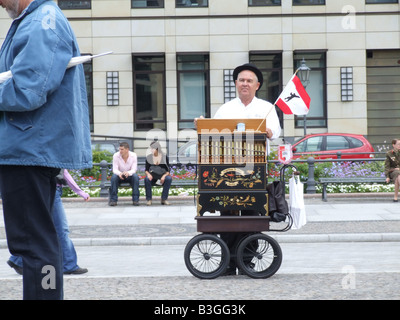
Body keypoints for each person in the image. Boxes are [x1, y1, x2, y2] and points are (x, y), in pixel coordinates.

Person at [0, 0, 92, 300]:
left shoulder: (42, 21)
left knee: (34, 244)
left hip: (27, 148)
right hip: (27, 146)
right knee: (36, 242)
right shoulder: (38, 19)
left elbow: (28, 88)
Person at [195, 63, 281, 275]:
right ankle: (228, 261)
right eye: (241, 80)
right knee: (228, 215)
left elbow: (275, 132)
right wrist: (201, 124)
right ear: (235, 83)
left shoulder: (267, 107)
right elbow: (211, 133)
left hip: (255, 169)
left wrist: (268, 131)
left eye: (249, 81)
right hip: (228, 170)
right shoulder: (226, 109)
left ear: (257, 85)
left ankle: (247, 261)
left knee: (251, 216)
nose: (245, 84)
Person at [7, 170, 89, 275]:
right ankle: (69, 264)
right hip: (51, 189)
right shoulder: (53, 155)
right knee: (61, 229)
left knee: (40, 228)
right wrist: (80, 192)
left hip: (44, 189)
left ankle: (17, 259)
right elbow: (64, 172)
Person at [109, 142, 140, 206]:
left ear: (127, 149)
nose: (120, 151)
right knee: (114, 177)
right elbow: (114, 169)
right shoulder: (116, 155)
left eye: (122, 149)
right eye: (119, 149)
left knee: (135, 177)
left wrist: (128, 173)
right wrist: (120, 173)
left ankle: (135, 200)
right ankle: (113, 200)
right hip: (119, 175)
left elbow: (134, 169)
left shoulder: (133, 155)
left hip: (130, 175)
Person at [144, 141, 172, 206]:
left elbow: (168, 171)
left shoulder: (164, 157)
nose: (151, 150)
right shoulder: (149, 157)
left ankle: (164, 199)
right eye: (151, 148)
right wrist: (148, 174)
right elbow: (146, 170)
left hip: (161, 180)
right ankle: (149, 199)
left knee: (168, 179)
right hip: (153, 179)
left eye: (152, 148)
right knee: (147, 179)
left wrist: (164, 176)